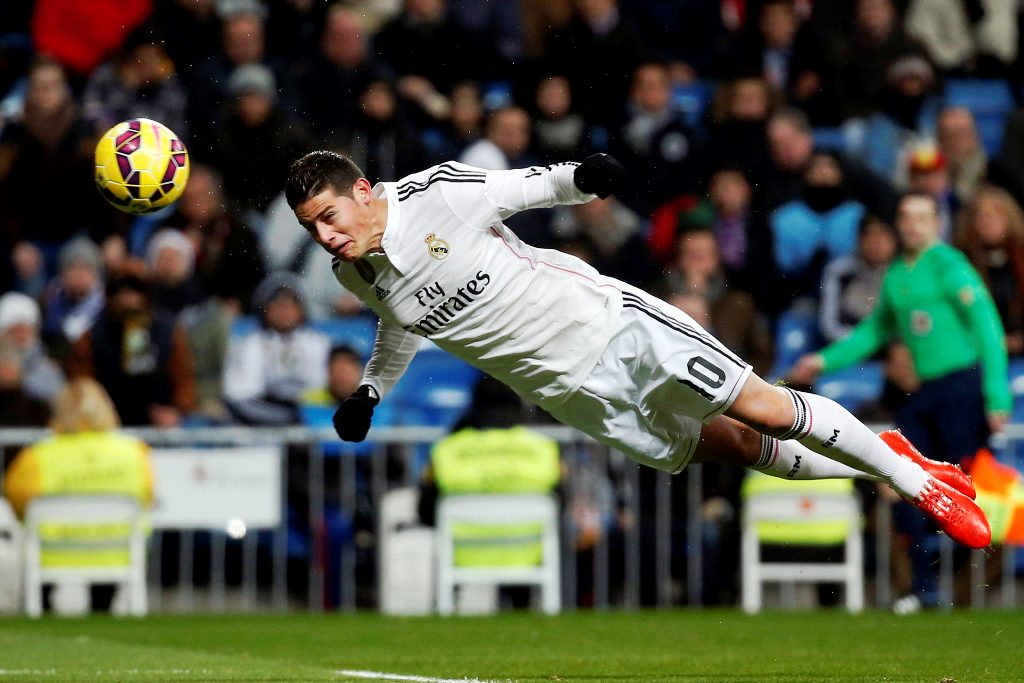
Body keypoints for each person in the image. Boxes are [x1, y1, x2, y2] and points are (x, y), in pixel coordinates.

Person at [283, 150, 991, 551]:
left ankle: (914, 481)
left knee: (768, 409)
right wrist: (372, 390)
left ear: (363, 192)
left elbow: (530, 187)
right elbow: (401, 323)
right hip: (574, 394)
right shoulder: (356, 271)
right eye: (311, 228)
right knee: (740, 446)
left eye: (329, 216)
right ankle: (884, 453)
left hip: (615, 329)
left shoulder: (439, 195)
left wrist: (584, 178)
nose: (325, 237)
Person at [790, 191, 1011, 605]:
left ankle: (965, 592)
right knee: (897, 477)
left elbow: (987, 326)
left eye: (922, 217)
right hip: (927, 391)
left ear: (936, 223)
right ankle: (923, 589)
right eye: (906, 217)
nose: (912, 225)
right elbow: (874, 332)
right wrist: (822, 361)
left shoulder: (949, 265)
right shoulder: (898, 275)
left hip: (962, 388)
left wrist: (997, 394)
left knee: (967, 487)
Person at [3, 377, 153, 614]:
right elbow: (147, 495)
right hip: (116, 550)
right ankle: (102, 609)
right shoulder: (133, 451)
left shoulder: (38, 455)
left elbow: (16, 499)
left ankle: (45, 610)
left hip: (52, 551)